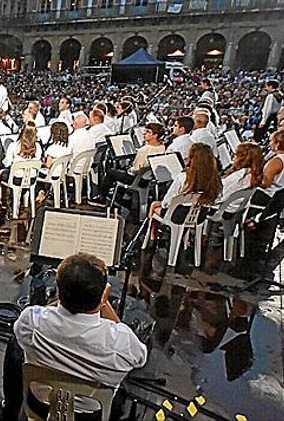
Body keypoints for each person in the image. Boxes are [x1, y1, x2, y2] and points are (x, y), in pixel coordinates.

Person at [13, 253, 147, 387]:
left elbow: (32, 322)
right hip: (91, 407)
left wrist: (68, 293)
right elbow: (140, 360)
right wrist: (104, 304)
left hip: (38, 404)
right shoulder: (122, 341)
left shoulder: (31, 321)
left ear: (58, 290)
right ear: (101, 296)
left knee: (14, 347)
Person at [148, 143, 222, 241]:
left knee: (154, 205)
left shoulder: (183, 177)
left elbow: (166, 203)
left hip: (176, 217)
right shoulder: (215, 178)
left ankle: (152, 238)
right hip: (199, 217)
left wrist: (158, 203)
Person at [219, 142, 263, 209]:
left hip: (220, 210)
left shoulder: (239, 176)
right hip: (235, 209)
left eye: (236, 155)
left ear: (242, 158)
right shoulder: (255, 173)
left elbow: (219, 197)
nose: (233, 158)